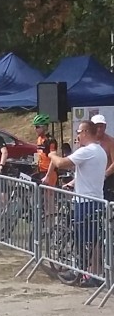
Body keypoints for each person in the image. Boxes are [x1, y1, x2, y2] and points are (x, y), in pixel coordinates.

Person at [48, 120, 106, 285]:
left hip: (85, 202)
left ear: (86, 132)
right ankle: (94, 274)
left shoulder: (88, 151)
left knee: (83, 240)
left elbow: (61, 163)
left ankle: (80, 272)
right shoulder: (99, 151)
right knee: (93, 241)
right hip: (95, 199)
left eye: (79, 132)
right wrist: (72, 183)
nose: (77, 135)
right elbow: (87, 173)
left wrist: (51, 154)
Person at [89, 114, 114, 201]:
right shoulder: (87, 141)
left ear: (105, 127)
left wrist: (104, 175)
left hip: (108, 180)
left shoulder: (111, 142)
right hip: (91, 179)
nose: (99, 129)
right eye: (97, 126)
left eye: (101, 126)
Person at [31, 113, 59, 184]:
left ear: (45, 127)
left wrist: (48, 176)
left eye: (37, 127)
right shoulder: (39, 138)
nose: (35, 129)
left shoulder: (51, 140)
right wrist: (35, 163)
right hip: (41, 171)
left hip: (50, 173)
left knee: (49, 191)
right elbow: (38, 152)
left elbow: (53, 159)